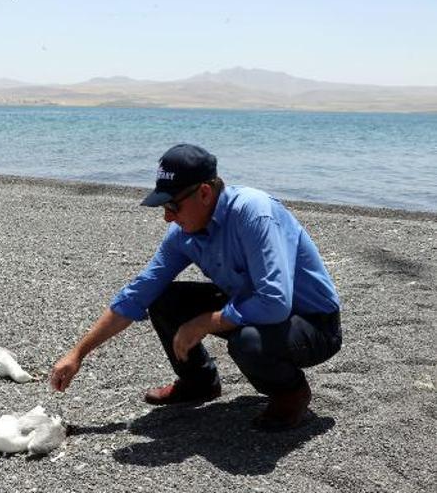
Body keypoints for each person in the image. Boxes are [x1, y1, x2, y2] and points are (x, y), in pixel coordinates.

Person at [50, 143, 342, 431]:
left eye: (172, 205)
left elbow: (276, 302)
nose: (167, 216)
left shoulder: (254, 213)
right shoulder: (183, 233)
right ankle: (199, 384)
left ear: (204, 192)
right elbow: (138, 293)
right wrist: (78, 353)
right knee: (164, 300)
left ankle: (290, 393)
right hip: (252, 305)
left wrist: (207, 322)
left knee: (248, 342)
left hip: (312, 324)